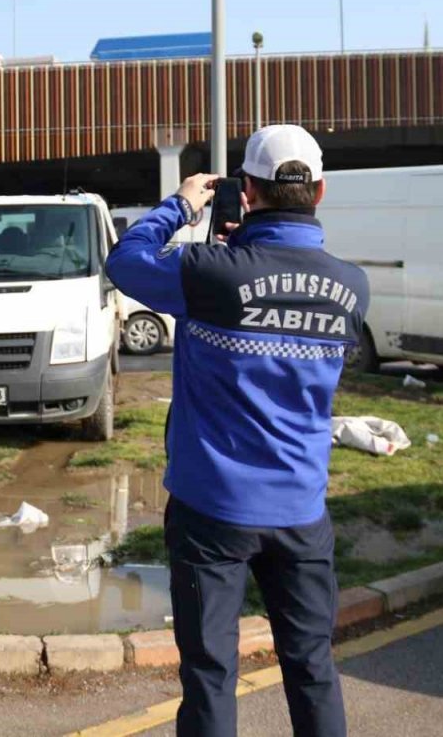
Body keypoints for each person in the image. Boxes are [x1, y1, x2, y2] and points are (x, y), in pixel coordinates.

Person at [106, 125, 369, 737]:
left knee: (210, 674)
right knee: (311, 667)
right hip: (301, 511)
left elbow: (125, 261)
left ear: (245, 190)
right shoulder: (353, 287)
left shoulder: (210, 272)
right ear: (321, 191)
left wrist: (183, 203)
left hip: (212, 510)